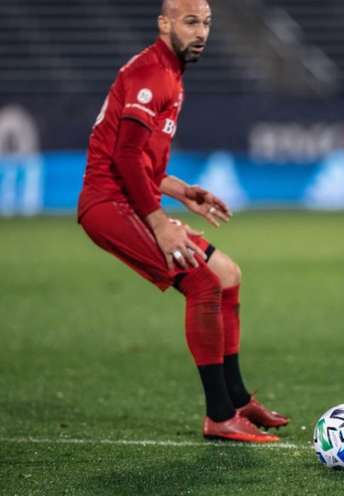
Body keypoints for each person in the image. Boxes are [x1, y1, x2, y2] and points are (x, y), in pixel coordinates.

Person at [77, 0, 287, 443]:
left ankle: (237, 398)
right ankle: (218, 415)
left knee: (227, 275)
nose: (201, 32)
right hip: (109, 205)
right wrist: (159, 221)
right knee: (203, 284)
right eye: (191, 22)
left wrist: (183, 191)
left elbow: (144, 164)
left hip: (130, 198)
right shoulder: (151, 74)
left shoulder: (170, 72)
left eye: (207, 23)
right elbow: (125, 157)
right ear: (164, 23)